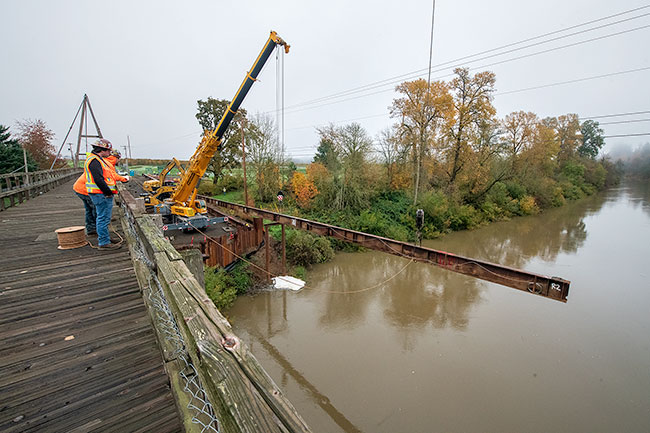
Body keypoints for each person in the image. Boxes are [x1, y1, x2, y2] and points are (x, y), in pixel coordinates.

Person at [73, 147, 130, 238]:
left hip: (81, 188)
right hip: (90, 190)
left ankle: (92, 230)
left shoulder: (100, 160)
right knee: (100, 214)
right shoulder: (105, 162)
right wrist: (123, 180)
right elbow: (110, 176)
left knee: (90, 211)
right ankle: (102, 238)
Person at [84, 139, 122, 250]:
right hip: (101, 194)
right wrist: (108, 192)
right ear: (103, 150)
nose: (110, 153)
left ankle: (105, 238)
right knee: (103, 218)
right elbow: (98, 179)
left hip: (99, 194)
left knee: (103, 217)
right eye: (108, 151)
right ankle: (104, 242)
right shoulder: (94, 161)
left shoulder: (96, 159)